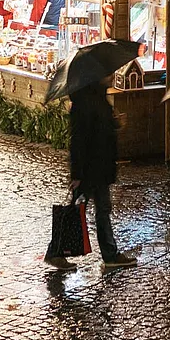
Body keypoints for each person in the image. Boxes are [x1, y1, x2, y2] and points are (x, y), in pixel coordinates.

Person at [63, 78, 135, 266]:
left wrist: (115, 124)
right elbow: (78, 139)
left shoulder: (99, 99)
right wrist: (77, 173)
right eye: (108, 74)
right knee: (79, 209)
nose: (111, 76)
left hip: (99, 166)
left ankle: (109, 254)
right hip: (90, 168)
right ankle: (57, 251)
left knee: (99, 209)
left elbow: (101, 130)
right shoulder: (84, 102)